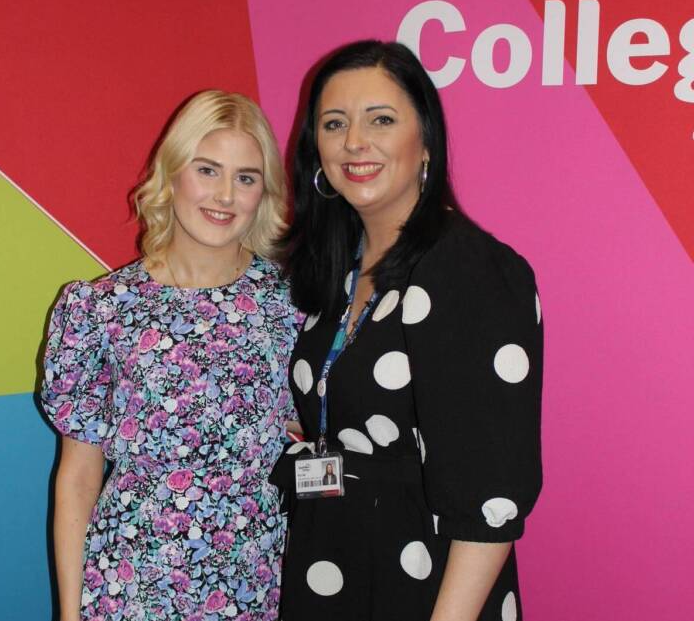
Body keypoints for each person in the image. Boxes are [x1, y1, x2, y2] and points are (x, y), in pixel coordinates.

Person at [273, 41, 543, 620]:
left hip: (426, 585)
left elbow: (490, 497)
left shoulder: (467, 269)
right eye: (334, 123)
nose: (354, 142)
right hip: (333, 566)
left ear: (425, 142)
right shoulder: (336, 268)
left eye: (381, 120)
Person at [41, 90, 301, 621]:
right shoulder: (101, 308)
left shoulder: (294, 306)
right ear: (173, 172)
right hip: (130, 586)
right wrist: (70, 613)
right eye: (207, 170)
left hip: (259, 585)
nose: (225, 195)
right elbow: (79, 478)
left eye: (246, 178)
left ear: (264, 193)